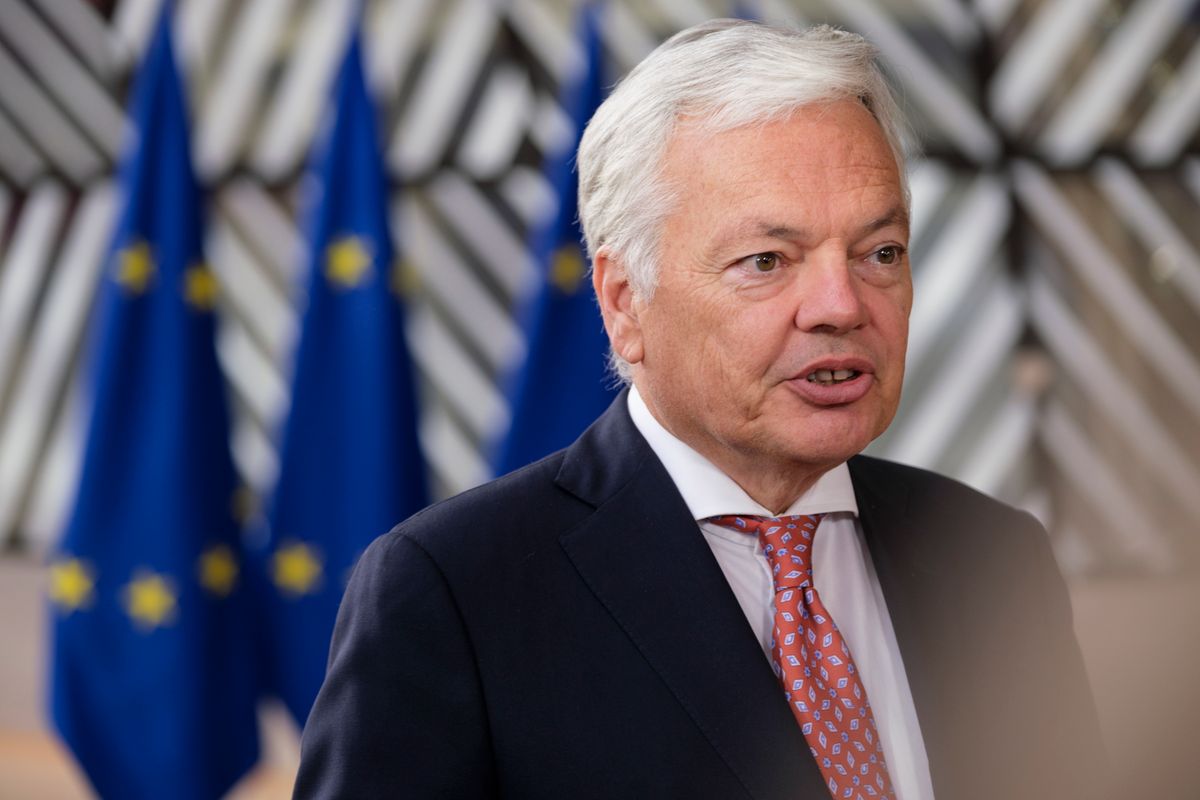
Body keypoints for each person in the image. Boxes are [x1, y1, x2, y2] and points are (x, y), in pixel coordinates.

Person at [294, 19, 1104, 800]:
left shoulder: (997, 559)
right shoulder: (455, 594)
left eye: (879, 253)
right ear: (625, 303)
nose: (840, 304)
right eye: (767, 260)